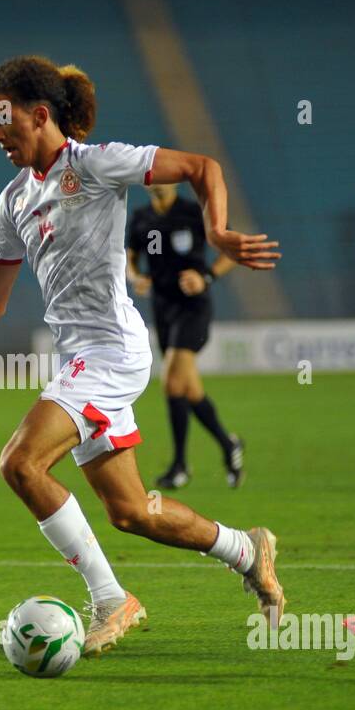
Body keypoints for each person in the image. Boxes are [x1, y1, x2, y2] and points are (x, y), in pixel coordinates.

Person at [0, 56, 284, 656]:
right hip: (81, 359)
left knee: (20, 464)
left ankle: (112, 599)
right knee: (132, 512)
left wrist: (216, 232)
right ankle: (246, 548)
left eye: (2, 119)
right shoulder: (12, 203)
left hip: (112, 351)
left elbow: (200, 166)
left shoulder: (94, 163)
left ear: (40, 115)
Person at [126, 184, 252, 490]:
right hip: (163, 310)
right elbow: (129, 258)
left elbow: (234, 251)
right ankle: (228, 444)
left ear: (175, 181)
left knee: (171, 382)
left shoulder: (195, 213)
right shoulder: (141, 218)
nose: (157, 179)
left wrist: (206, 277)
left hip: (193, 308)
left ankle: (180, 465)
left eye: (164, 174)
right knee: (189, 389)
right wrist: (136, 277)